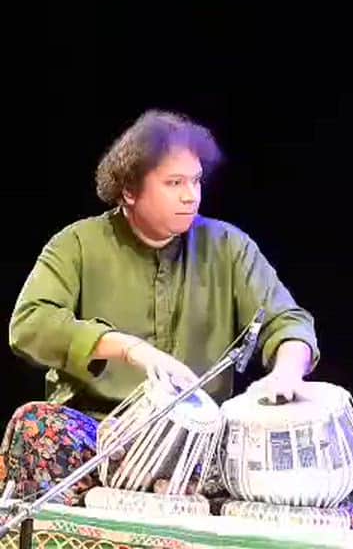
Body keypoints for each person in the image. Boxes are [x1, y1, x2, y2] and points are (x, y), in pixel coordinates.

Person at [2, 109, 320, 503]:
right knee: (35, 426)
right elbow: (30, 324)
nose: (191, 195)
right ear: (129, 190)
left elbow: (287, 321)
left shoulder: (228, 247)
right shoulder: (77, 244)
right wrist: (129, 348)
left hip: (200, 447)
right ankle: (143, 494)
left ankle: (167, 491)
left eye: (196, 180)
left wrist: (288, 371)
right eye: (174, 183)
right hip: (100, 439)